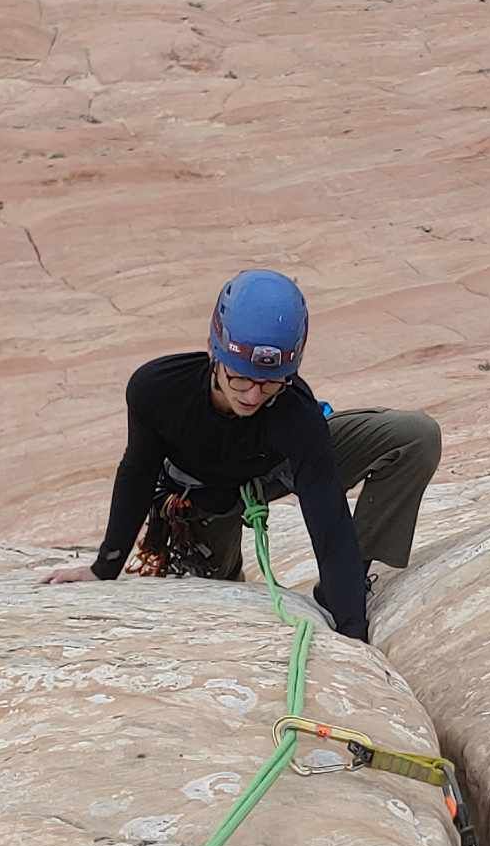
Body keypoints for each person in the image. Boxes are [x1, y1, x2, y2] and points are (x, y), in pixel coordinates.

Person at [46, 270, 440, 642]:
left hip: (275, 464)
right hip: (204, 497)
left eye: (269, 384)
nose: (252, 397)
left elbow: (327, 516)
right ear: (214, 353)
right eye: (240, 379)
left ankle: (352, 580)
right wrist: (104, 567)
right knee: (216, 591)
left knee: (414, 437)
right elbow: (138, 471)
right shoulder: (158, 390)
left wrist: (351, 626)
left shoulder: (294, 411)